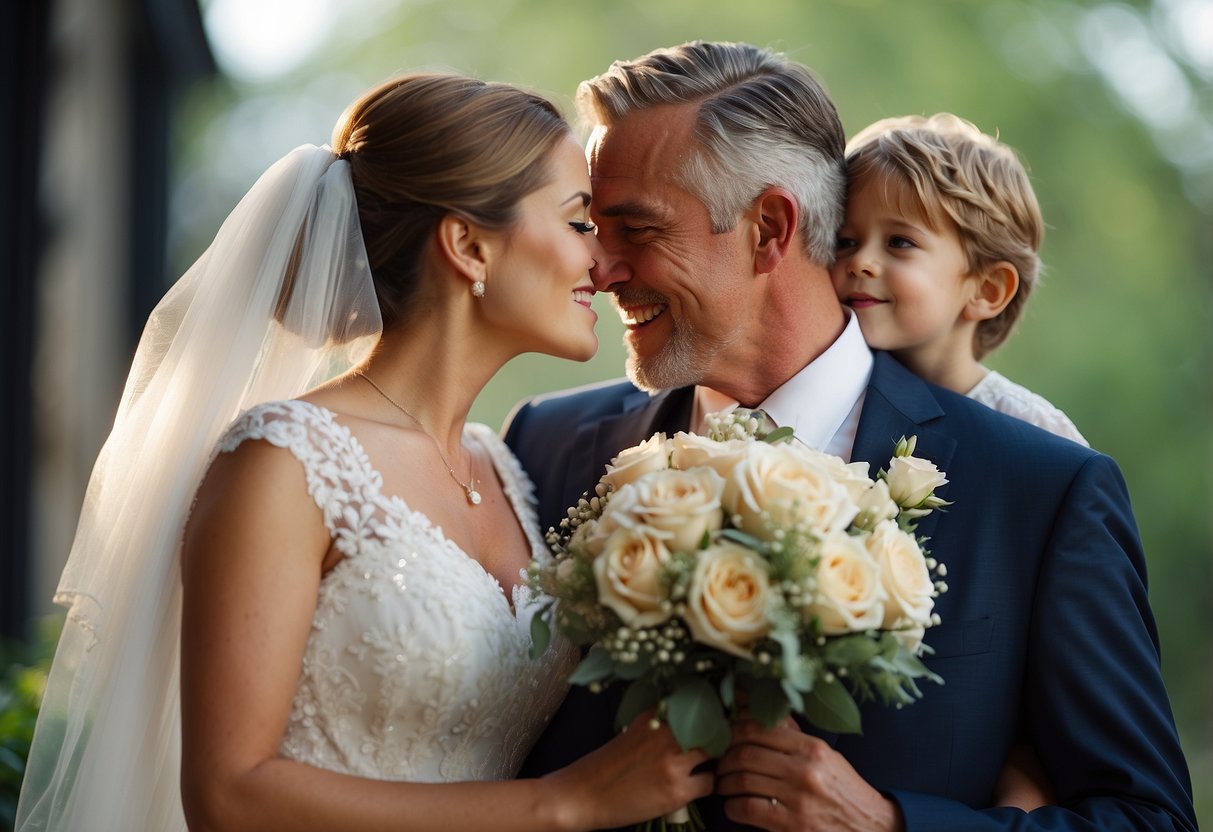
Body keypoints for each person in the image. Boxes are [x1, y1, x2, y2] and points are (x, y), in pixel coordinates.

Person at [504, 41, 1197, 831]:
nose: (599, 267)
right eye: (595, 226)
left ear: (769, 227)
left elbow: (1148, 818)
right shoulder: (542, 446)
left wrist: (890, 825)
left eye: (635, 229)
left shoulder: (1038, 493)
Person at [15, 73, 713, 832]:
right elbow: (230, 795)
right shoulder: (285, 460)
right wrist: (563, 803)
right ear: (468, 245)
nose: (605, 264)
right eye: (579, 222)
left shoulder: (506, 468)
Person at [832, 112, 1087, 445]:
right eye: (845, 241)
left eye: (899, 242)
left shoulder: (1039, 436)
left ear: (987, 289)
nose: (860, 261)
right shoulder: (824, 394)